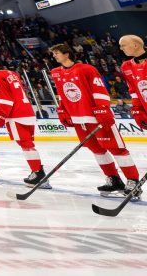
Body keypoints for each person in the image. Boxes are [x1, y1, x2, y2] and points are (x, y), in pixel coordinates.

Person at [49, 43, 139, 197]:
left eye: (56, 53)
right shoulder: (56, 72)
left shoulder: (86, 69)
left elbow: (99, 89)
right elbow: (62, 93)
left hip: (95, 117)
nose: (54, 56)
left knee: (116, 149)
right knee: (97, 150)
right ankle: (114, 179)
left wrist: (103, 109)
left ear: (67, 53)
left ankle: (133, 181)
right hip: (78, 119)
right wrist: (62, 109)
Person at [0, 54, 45, 186]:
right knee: (28, 144)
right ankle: (38, 172)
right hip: (27, 111)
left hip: (15, 114)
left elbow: (5, 99)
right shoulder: (12, 73)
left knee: (25, 145)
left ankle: (38, 174)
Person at [119, 35, 147, 132]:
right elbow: (133, 89)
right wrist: (137, 108)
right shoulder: (126, 66)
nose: (121, 48)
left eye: (123, 45)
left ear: (135, 45)